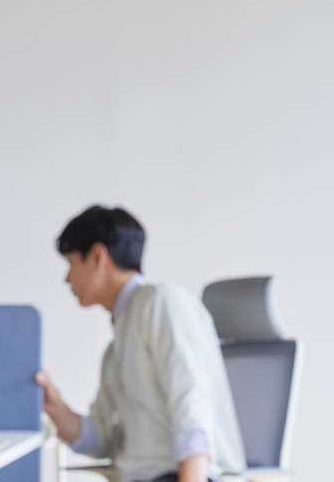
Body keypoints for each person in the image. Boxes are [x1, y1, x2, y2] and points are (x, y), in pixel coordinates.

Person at [35, 206, 244, 482]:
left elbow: (191, 404)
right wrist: (55, 406)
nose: (67, 278)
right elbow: (102, 441)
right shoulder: (116, 348)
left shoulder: (161, 302)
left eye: (71, 262)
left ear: (98, 256)